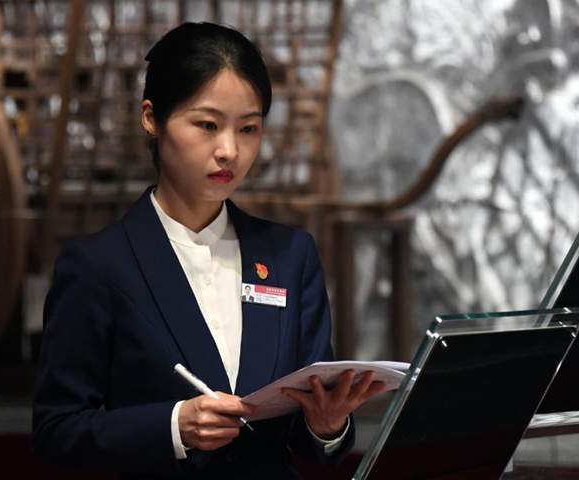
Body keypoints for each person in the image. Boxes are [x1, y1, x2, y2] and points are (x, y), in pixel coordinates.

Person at [32, 22, 387, 479]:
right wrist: (174, 426)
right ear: (150, 117)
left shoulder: (289, 255)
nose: (229, 150)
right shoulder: (100, 266)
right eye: (207, 124)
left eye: (249, 128)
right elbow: (56, 431)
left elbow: (312, 440)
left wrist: (327, 424)